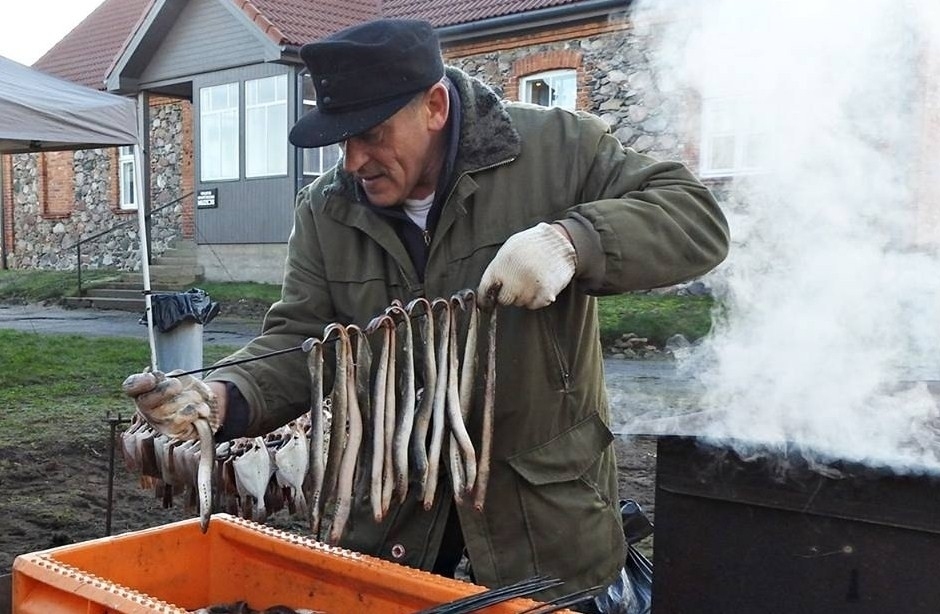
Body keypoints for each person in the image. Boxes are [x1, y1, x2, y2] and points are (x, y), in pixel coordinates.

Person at [125, 18, 729, 611]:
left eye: (373, 133)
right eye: (342, 139)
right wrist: (226, 395)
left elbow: (695, 219)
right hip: (395, 507)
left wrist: (573, 242)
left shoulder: (559, 150)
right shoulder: (326, 210)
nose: (355, 159)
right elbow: (303, 337)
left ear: (435, 106)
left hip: (544, 506)